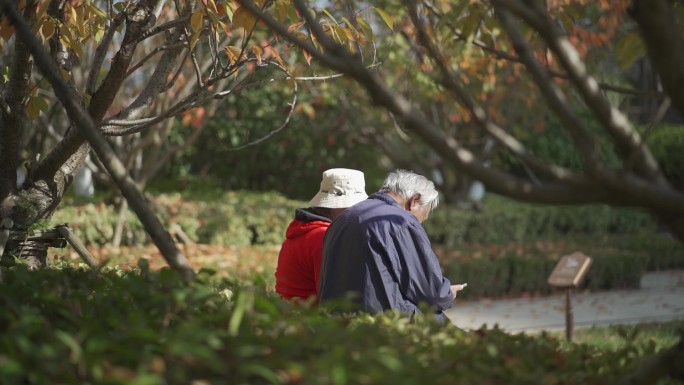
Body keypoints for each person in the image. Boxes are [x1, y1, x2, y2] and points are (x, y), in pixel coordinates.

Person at [318, 169, 465, 322]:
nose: (420, 222)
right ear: (414, 201)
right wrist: (447, 293)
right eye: (423, 216)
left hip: (337, 321)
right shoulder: (401, 221)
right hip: (384, 322)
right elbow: (430, 293)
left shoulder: (343, 219)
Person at [275, 168, 368, 302]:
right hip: (308, 319)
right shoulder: (324, 237)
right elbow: (333, 296)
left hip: (288, 314)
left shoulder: (304, 229)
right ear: (337, 207)